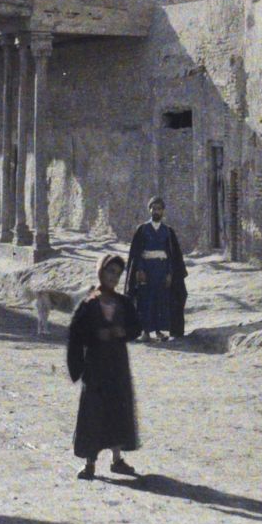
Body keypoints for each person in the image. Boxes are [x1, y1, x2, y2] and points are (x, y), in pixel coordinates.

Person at [67, 254, 142, 480]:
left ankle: (117, 460)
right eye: (110, 272)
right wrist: (94, 337)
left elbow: (136, 327)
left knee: (118, 409)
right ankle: (90, 463)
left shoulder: (123, 302)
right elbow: (76, 336)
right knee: (93, 412)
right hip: (96, 367)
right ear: (100, 272)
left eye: (118, 274)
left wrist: (124, 333)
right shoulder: (88, 304)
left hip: (117, 364)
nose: (113, 278)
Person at [127, 196, 184, 343]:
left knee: (161, 300)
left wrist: (170, 274)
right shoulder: (143, 229)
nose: (156, 211)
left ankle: (159, 331)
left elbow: (172, 255)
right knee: (145, 300)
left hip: (162, 270)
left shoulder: (167, 231)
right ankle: (145, 332)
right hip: (146, 269)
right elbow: (137, 252)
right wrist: (139, 270)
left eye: (159, 209)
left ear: (163, 211)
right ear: (149, 210)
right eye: (154, 208)